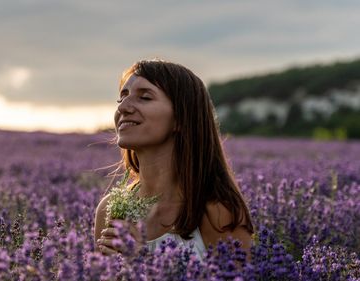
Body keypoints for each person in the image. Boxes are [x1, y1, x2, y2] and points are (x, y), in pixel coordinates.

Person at [94, 59, 254, 262]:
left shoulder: (217, 212)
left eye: (144, 97)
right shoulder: (109, 210)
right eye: (122, 97)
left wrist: (141, 262)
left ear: (180, 118)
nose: (123, 107)